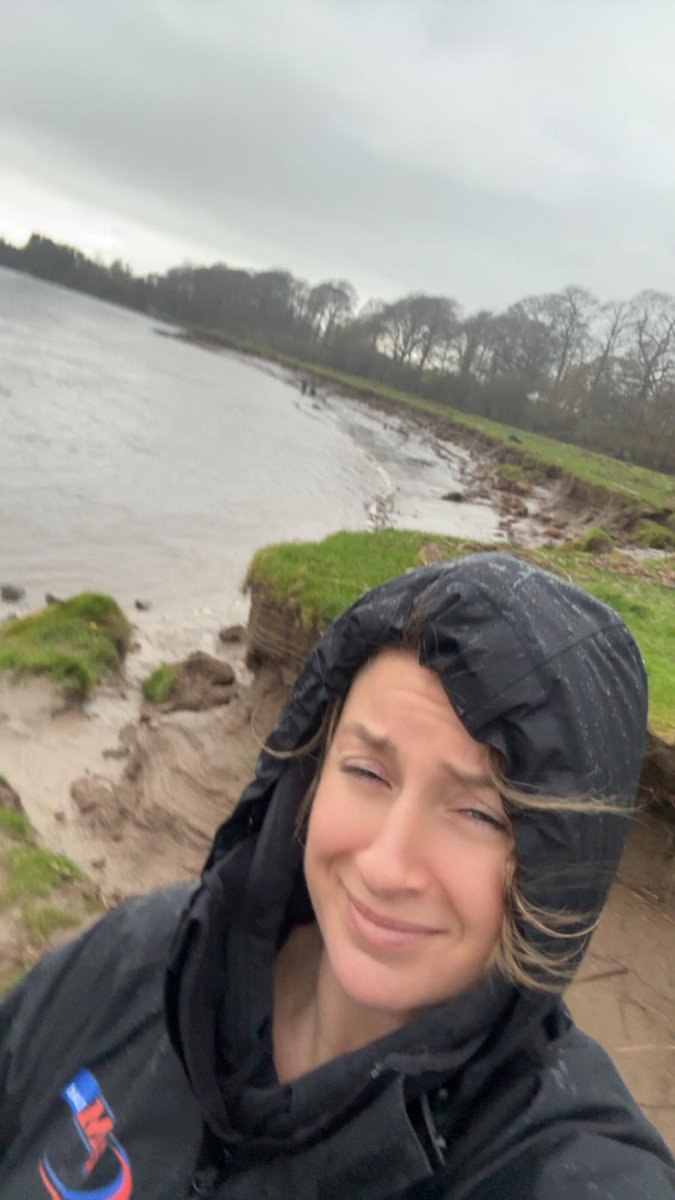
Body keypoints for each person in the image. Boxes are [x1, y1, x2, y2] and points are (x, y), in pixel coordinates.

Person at [0, 552, 673, 1199]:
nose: (385, 865)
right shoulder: (148, 952)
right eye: (366, 772)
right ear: (310, 774)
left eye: (477, 813)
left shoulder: (564, 1162)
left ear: (561, 872)